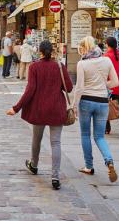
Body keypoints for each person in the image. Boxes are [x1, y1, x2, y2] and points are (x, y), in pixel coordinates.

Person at [6, 41, 73, 190]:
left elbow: (30, 90)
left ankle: (34, 165)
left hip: (39, 109)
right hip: (56, 109)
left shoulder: (35, 67)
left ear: (40, 52)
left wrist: (16, 108)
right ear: (52, 52)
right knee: (56, 143)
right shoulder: (59, 66)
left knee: (37, 139)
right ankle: (55, 177)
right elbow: (69, 88)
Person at [74, 36, 119, 182]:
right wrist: (102, 85)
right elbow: (115, 82)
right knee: (99, 136)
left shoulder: (82, 64)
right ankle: (109, 160)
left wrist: (74, 105)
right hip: (102, 102)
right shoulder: (106, 60)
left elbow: (79, 88)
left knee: (85, 135)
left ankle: (89, 166)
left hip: (86, 101)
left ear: (84, 48)